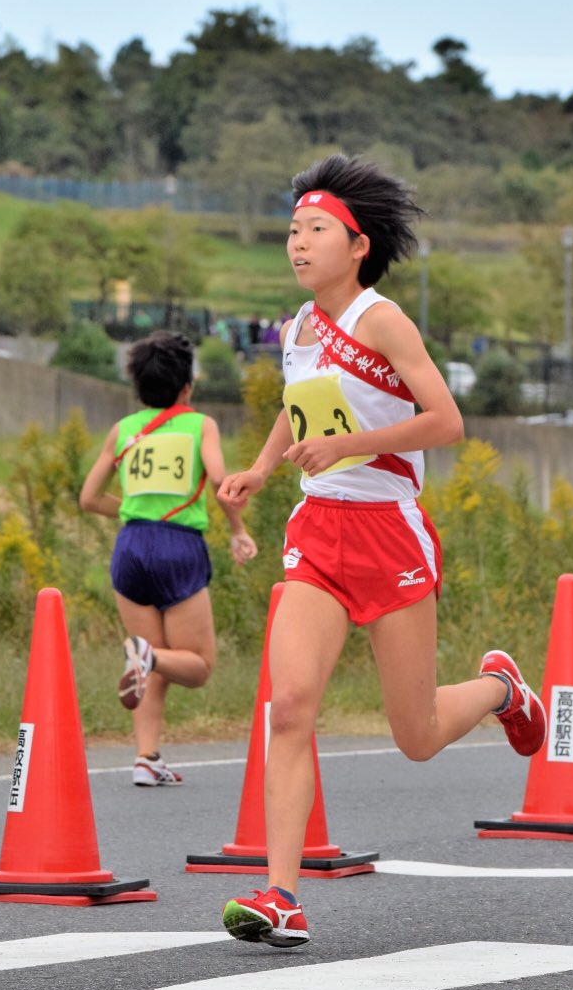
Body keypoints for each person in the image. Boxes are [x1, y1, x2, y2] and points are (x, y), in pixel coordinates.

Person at [216, 154, 546, 948]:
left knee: (418, 734)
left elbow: (446, 422)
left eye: (316, 229)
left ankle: (502, 690)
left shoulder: (382, 320)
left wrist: (353, 444)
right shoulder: (294, 326)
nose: (298, 243)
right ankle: (281, 894)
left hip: (390, 532)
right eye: (292, 230)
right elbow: (300, 410)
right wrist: (261, 469)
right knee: (289, 707)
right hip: (318, 533)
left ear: (357, 244)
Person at [80, 330, 257, 787]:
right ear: (186, 388)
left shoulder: (124, 430)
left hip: (131, 548)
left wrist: (135, 510)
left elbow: (88, 497)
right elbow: (221, 482)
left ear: (138, 386)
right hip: (178, 548)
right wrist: (238, 531)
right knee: (197, 666)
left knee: (153, 662)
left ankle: (145, 757)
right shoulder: (201, 425)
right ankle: (144, 669)